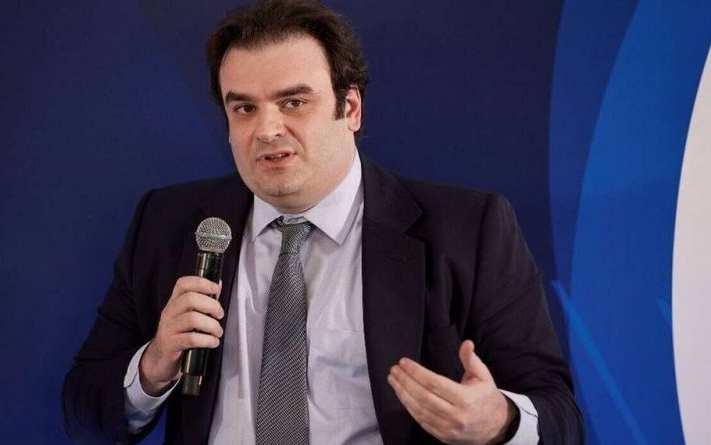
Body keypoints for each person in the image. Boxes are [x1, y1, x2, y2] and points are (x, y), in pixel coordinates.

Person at [62, 1, 583, 444]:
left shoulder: (467, 230)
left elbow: (560, 417)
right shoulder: (168, 223)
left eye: (294, 102)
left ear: (350, 108)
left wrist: (498, 421)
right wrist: (152, 367)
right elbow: (83, 412)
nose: (267, 129)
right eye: (244, 109)